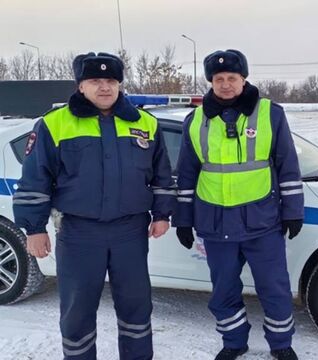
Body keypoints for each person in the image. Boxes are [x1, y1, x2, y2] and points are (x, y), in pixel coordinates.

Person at [13, 52, 176, 360]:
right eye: (95, 81)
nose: (104, 87)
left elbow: (162, 175)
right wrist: (34, 228)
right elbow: (35, 179)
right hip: (79, 233)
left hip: (130, 232)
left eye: (111, 80)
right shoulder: (55, 124)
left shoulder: (145, 123)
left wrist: (163, 214)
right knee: (77, 311)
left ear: (119, 84)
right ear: (80, 86)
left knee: (137, 307)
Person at [173, 49, 303, 360]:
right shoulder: (195, 120)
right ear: (211, 82)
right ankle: (233, 343)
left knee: (275, 290)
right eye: (219, 79)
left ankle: (281, 345)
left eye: (232, 78)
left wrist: (293, 211)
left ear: (243, 79)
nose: (226, 84)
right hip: (215, 224)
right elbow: (187, 173)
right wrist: (183, 219)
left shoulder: (270, 113)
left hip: (263, 222)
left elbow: (288, 165)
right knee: (223, 292)